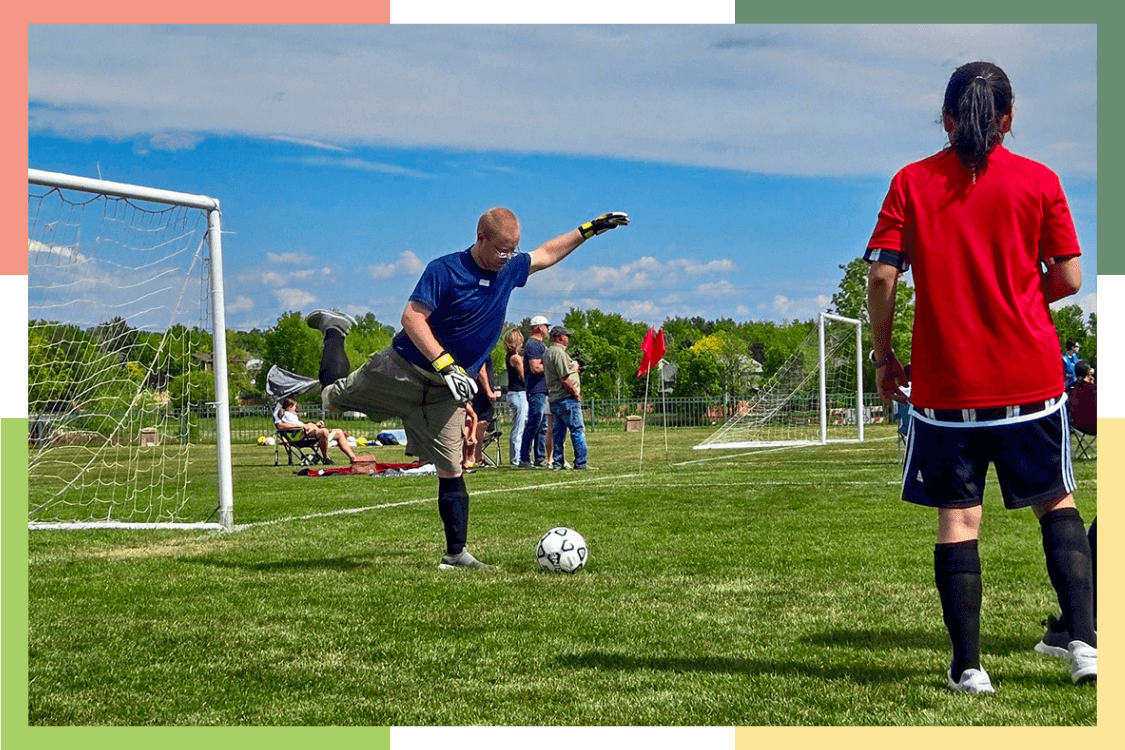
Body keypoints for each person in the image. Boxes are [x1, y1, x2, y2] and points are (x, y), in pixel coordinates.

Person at [865, 61, 1095, 692]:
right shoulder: (1040, 180)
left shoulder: (910, 183)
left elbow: (883, 277)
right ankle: (1086, 645)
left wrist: (885, 358)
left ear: (944, 118)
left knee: (960, 520)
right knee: (1057, 505)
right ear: (1008, 119)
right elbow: (1070, 278)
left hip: (948, 388)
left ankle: (969, 667)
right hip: (1031, 380)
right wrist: (1019, 298)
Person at [308, 208, 629, 569]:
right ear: (480, 238)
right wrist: (445, 363)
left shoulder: (508, 269)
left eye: (513, 251)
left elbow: (546, 255)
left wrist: (588, 230)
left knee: (451, 467)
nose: (508, 259)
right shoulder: (444, 269)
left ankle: (456, 554)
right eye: (502, 251)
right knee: (331, 400)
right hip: (401, 371)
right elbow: (412, 317)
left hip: (447, 392)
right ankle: (335, 330)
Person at [543, 325, 589, 470]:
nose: (568, 339)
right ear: (559, 337)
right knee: (577, 430)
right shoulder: (559, 353)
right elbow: (564, 377)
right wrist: (575, 392)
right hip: (566, 397)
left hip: (555, 397)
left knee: (558, 432)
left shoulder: (548, 353)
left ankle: (558, 462)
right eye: (567, 336)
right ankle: (581, 463)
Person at [274, 397, 359, 464]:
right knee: (324, 431)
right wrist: (302, 425)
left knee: (339, 432)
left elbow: (301, 424)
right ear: (289, 407)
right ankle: (325, 458)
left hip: (307, 432)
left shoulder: (291, 415)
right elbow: (281, 426)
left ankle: (353, 458)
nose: (296, 409)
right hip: (300, 435)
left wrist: (313, 425)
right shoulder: (284, 414)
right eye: (295, 407)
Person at [518, 315, 551, 468]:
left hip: (542, 390)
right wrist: (553, 369)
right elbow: (536, 367)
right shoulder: (533, 345)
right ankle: (524, 458)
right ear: (539, 327)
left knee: (541, 425)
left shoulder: (540, 345)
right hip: (536, 390)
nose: (548, 329)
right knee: (534, 423)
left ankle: (540, 457)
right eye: (546, 326)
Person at [503, 328, 528, 465]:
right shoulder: (516, 358)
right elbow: (524, 376)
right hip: (518, 393)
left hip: (514, 394)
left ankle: (518, 457)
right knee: (519, 427)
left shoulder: (509, 356)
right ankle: (516, 458)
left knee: (519, 425)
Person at [468, 356, 497, 467]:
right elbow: (482, 371)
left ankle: (473, 456)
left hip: (475, 392)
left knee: (475, 423)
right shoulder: (484, 352)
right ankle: (476, 456)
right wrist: (489, 391)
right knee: (480, 424)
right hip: (481, 394)